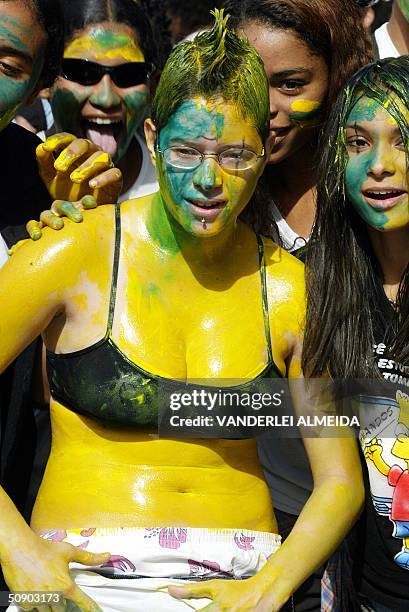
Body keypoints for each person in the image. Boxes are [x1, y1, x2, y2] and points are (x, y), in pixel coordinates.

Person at [0, 11, 363, 611]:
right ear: (150, 138)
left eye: (236, 156)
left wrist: (266, 591)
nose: (207, 179)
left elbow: (341, 481)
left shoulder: (293, 288)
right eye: (186, 150)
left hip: (240, 578)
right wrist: (18, 550)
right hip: (79, 578)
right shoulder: (70, 250)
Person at [302, 56, 409, 611]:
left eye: (402, 140)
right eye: (357, 142)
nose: (380, 166)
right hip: (366, 597)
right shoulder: (319, 287)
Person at [41, 0, 168, 206]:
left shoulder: (172, 189)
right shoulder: (14, 175)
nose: (106, 99)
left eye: (129, 75)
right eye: (82, 73)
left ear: (153, 87)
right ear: (45, 79)